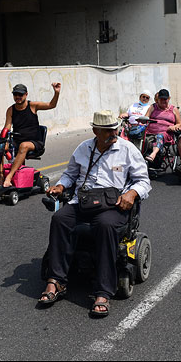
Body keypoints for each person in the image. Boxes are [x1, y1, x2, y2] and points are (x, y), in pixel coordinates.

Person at [39, 111, 151, 317]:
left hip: (113, 206)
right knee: (60, 219)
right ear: (95, 131)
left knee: (105, 225)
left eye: (114, 129)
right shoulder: (84, 148)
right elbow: (70, 174)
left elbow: (143, 181)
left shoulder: (127, 150)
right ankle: (56, 281)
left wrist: (132, 193)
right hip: (83, 202)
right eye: (107, 130)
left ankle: (103, 291)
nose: (113, 133)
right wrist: (61, 186)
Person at [1, 82, 61, 187]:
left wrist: (56, 93)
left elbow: (52, 105)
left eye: (20, 95)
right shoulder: (11, 110)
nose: (17, 97)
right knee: (0, 146)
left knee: (24, 145)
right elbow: (7, 127)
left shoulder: (33, 106)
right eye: (15, 95)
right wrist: (1, 139)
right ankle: (0, 175)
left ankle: (9, 177)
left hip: (34, 142)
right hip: (17, 141)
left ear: (26, 94)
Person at [143, 89, 181, 162]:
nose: (163, 101)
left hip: (166, 133)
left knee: (159, 136)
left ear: (169, 99)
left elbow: (179, 124)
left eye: (165, 99)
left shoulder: (174, 109)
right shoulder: (153, 107)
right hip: (150, 132)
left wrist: (174, 127)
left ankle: (153, 154)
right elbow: (146, 118)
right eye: (161, 99)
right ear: (158, 99)